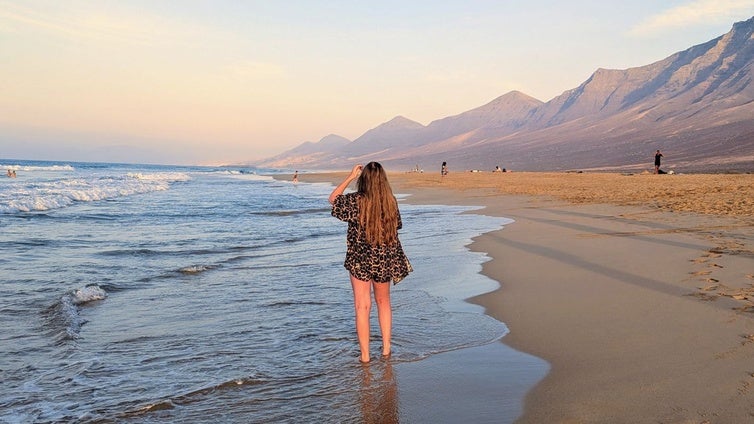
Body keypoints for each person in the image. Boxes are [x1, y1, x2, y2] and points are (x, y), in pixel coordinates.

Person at [329, 162, 413, 363]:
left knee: (362, 306)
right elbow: (396, 228)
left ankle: (365, 356)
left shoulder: (356, 201)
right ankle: (386, 349)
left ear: (363, 179)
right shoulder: (390, 202)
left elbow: (333, 199)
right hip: (384, 258)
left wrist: (350, 177)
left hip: (359, 259)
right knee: (383, 303)